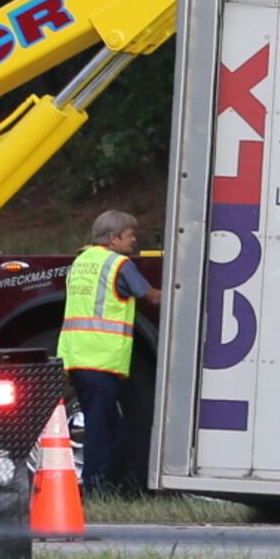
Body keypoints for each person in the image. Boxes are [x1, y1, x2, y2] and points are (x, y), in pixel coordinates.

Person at [57, 209, 160, 494]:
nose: (134, 241)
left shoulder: (81, 262)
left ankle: (109, 484)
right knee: (101, 428)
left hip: (78, 357)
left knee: (111, 427)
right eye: (129, 235)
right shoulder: (118, 264)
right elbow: (149, 296)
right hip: (100, 359)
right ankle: (95, 487)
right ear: (114, 238)